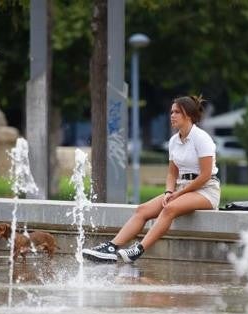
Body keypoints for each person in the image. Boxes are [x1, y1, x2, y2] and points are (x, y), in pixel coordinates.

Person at [82, 95, 221, 263]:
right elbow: (172, 173)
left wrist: (178, 194)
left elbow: (205, 175)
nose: (172, 115)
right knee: (142, 210)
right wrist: (169, 191)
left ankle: (138, 250)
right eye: (171, 112)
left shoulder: (202, 138)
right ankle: (111, 248)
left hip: (206, 190)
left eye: (177, 112)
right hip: (181, 188)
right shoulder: (174, 141)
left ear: (189, 115)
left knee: (169, 208)